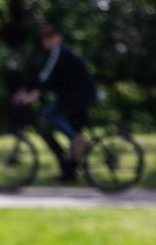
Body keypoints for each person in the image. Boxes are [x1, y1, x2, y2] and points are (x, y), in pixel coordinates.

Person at [12, 23, 98, 182]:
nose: (47, 41)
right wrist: (26, 89)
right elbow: (40, 74)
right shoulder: (52, 54)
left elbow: (47, 77)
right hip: (73, 97)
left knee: (50, 115)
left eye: (50, 37)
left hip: (78, 96)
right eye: (45, 38)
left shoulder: (59, 51)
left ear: (59, 38)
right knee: (48, 129)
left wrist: (34, 94)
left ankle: (77, 139)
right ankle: (68, 172)